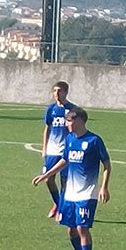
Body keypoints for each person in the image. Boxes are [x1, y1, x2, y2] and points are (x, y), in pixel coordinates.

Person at [32, 107, 110, 250]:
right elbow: (64, 160)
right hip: (70, 194)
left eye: (69, 120)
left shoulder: (94, 141)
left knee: (82, 228)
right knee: (71, 230)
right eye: (66, 120)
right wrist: (46, 175)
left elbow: (107, 164)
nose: (66, 124)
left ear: (80, 121)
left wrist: (104, 187)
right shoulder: (69, 140)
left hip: (87, 193)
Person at [40, 81, 78, 220]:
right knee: (48, 179)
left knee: (64, 181)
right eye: (54, 91)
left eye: (59, 91)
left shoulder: (73, 110)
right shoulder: (51, 109)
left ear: (66, 92)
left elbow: (76, 130)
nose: (56, 94)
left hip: (66, 151)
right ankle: (58, 204)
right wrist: (44, 148)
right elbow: (47, 128)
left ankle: (61, 209)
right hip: (52, 151)